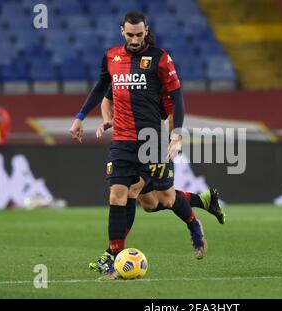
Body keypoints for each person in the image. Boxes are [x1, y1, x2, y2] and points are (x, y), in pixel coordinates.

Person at [69, 12, 209, 276]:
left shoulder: (160, 59)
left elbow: (177, 98)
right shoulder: (111, 57)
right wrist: (80, 117)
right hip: (122, 140)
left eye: (139, 35)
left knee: (163, 200)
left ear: (146, 32)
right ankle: (114, 257)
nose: (134, 39)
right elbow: (102, 88)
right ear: (122, 31)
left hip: (151, 140)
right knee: (119, 195)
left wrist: (176, 134)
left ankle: (193, 224)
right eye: (130, 34)